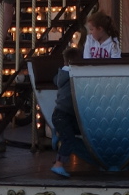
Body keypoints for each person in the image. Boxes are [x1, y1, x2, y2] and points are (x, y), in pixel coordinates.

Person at [49, 11, 121, 179]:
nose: (90, 33)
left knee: (83, 126)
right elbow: (87, 59)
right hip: (90, 82)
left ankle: (94, 152)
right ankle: (61, 161)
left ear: (101, 29)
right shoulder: (90, 40)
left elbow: (115, 63)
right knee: (76, 129)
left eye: (92, 29)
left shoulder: (113, 44)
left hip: (103, 83)